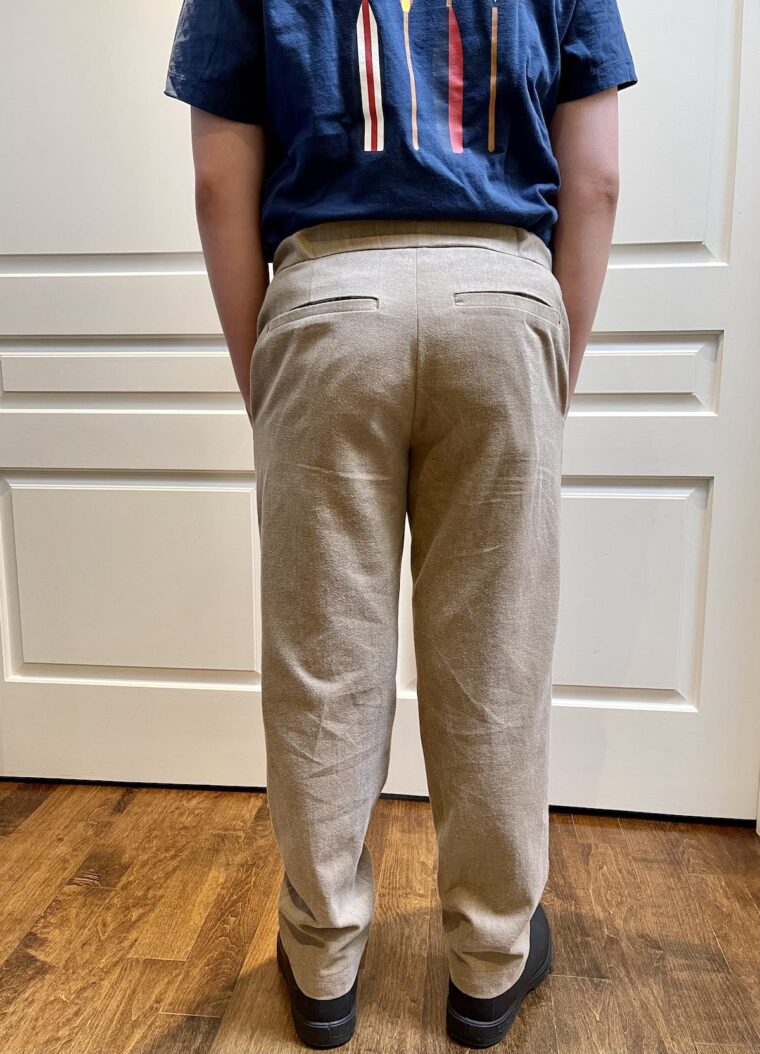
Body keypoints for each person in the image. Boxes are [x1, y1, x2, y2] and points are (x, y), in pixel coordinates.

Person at [163, 0, 637, 1047]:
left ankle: (325, 959)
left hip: (326, 296)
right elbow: (595, 178)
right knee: (497, 655)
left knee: (323, 661)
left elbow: (215, 181)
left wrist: (269, 374)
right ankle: (487, 965)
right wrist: (547, 362)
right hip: (502, 293)